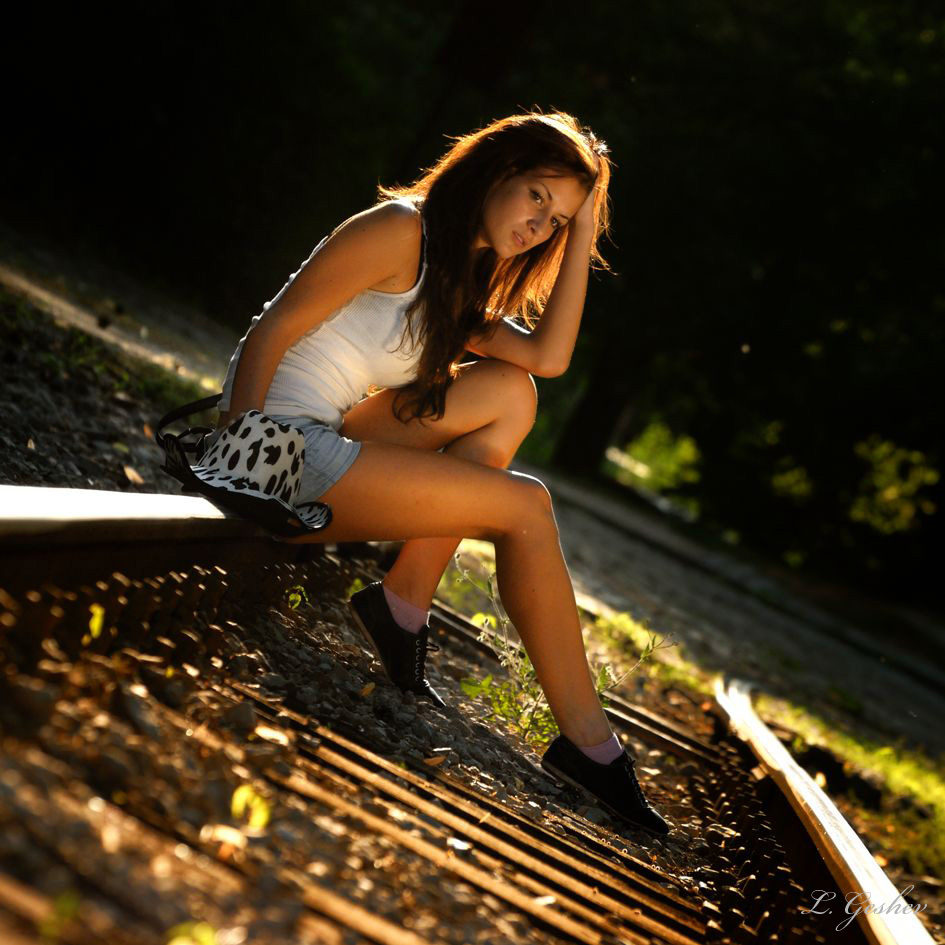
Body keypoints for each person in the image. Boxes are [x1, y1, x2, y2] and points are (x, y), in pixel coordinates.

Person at [215, 111, 669, 835]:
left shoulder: (456, 272)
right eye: (537, 198)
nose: (539, 227)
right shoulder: (400, 228)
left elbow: (548, 358)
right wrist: (241, 445)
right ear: (496, 170)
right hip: (276, 449)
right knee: (524, 506)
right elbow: (273, 326)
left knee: (511, 392)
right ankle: (591, 745)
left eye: (557, 221)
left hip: (323, 433)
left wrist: (585, 228)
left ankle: (402, 605)